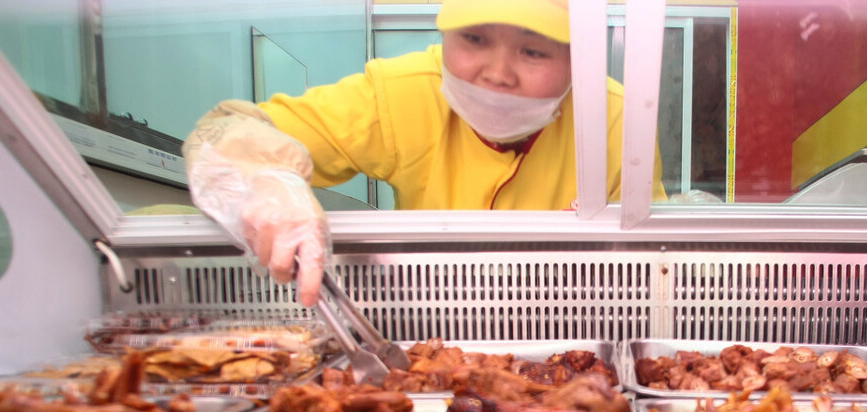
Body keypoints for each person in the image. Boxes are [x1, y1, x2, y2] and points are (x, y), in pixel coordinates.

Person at [183, 0, 665, 307]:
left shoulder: (616, 119)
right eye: (474, 39)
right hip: (423, 311)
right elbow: (229, 127)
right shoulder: (399, 94)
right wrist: (268, 183)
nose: (497, 73)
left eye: (533, 51)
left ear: (579, 58)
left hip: (564, 319)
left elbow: (658, 260)